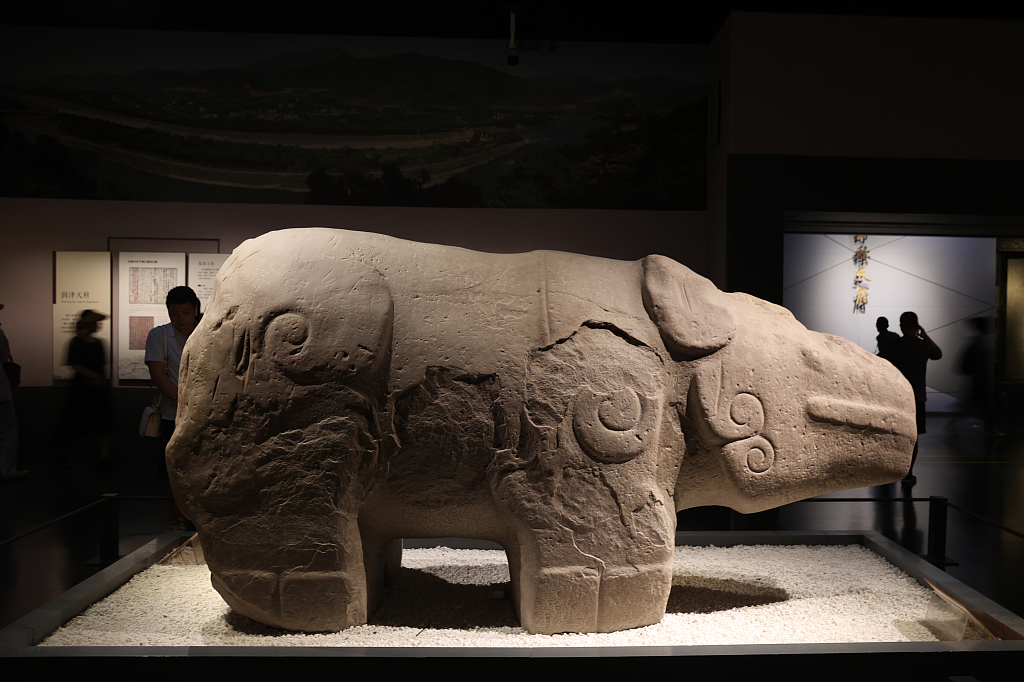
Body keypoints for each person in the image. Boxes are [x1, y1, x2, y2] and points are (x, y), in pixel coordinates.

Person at [145, 287, 200, 528]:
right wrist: (184, 401)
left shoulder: (207, 332)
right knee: (173, 469)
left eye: (186, 312)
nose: (180, 318)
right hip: (173, 413)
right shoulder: (160, 336)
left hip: (204, 413)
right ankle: (177, 517)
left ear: (195, 310)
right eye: (174, 313)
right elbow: (158, 375)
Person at [888, 311, 942, 486]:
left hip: (898, 397)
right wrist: (925, 335)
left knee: (896, 436)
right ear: (917, 326)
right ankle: (908, 473)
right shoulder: (923, 346)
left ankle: (893, 470)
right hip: (917, 397)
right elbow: (938, 354)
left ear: (901, 326)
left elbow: (879, 359)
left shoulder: (895, 345)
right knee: (914, 438)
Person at [65, 309, 114, 470]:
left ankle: (104, 458)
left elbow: (102, 366)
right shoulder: (76, 342)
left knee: (103, 425)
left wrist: (103, 381)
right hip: (81, 390)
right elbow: (75, 364)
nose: (97, 325)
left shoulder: (99, 343)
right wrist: (94, 376)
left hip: (98, 391)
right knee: (75, 423)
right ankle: (63, 456)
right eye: (94, 322)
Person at [0, 303, 28, 481]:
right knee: (8, 432)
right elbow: (4, 357)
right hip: (0, 393)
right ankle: (7, 470)